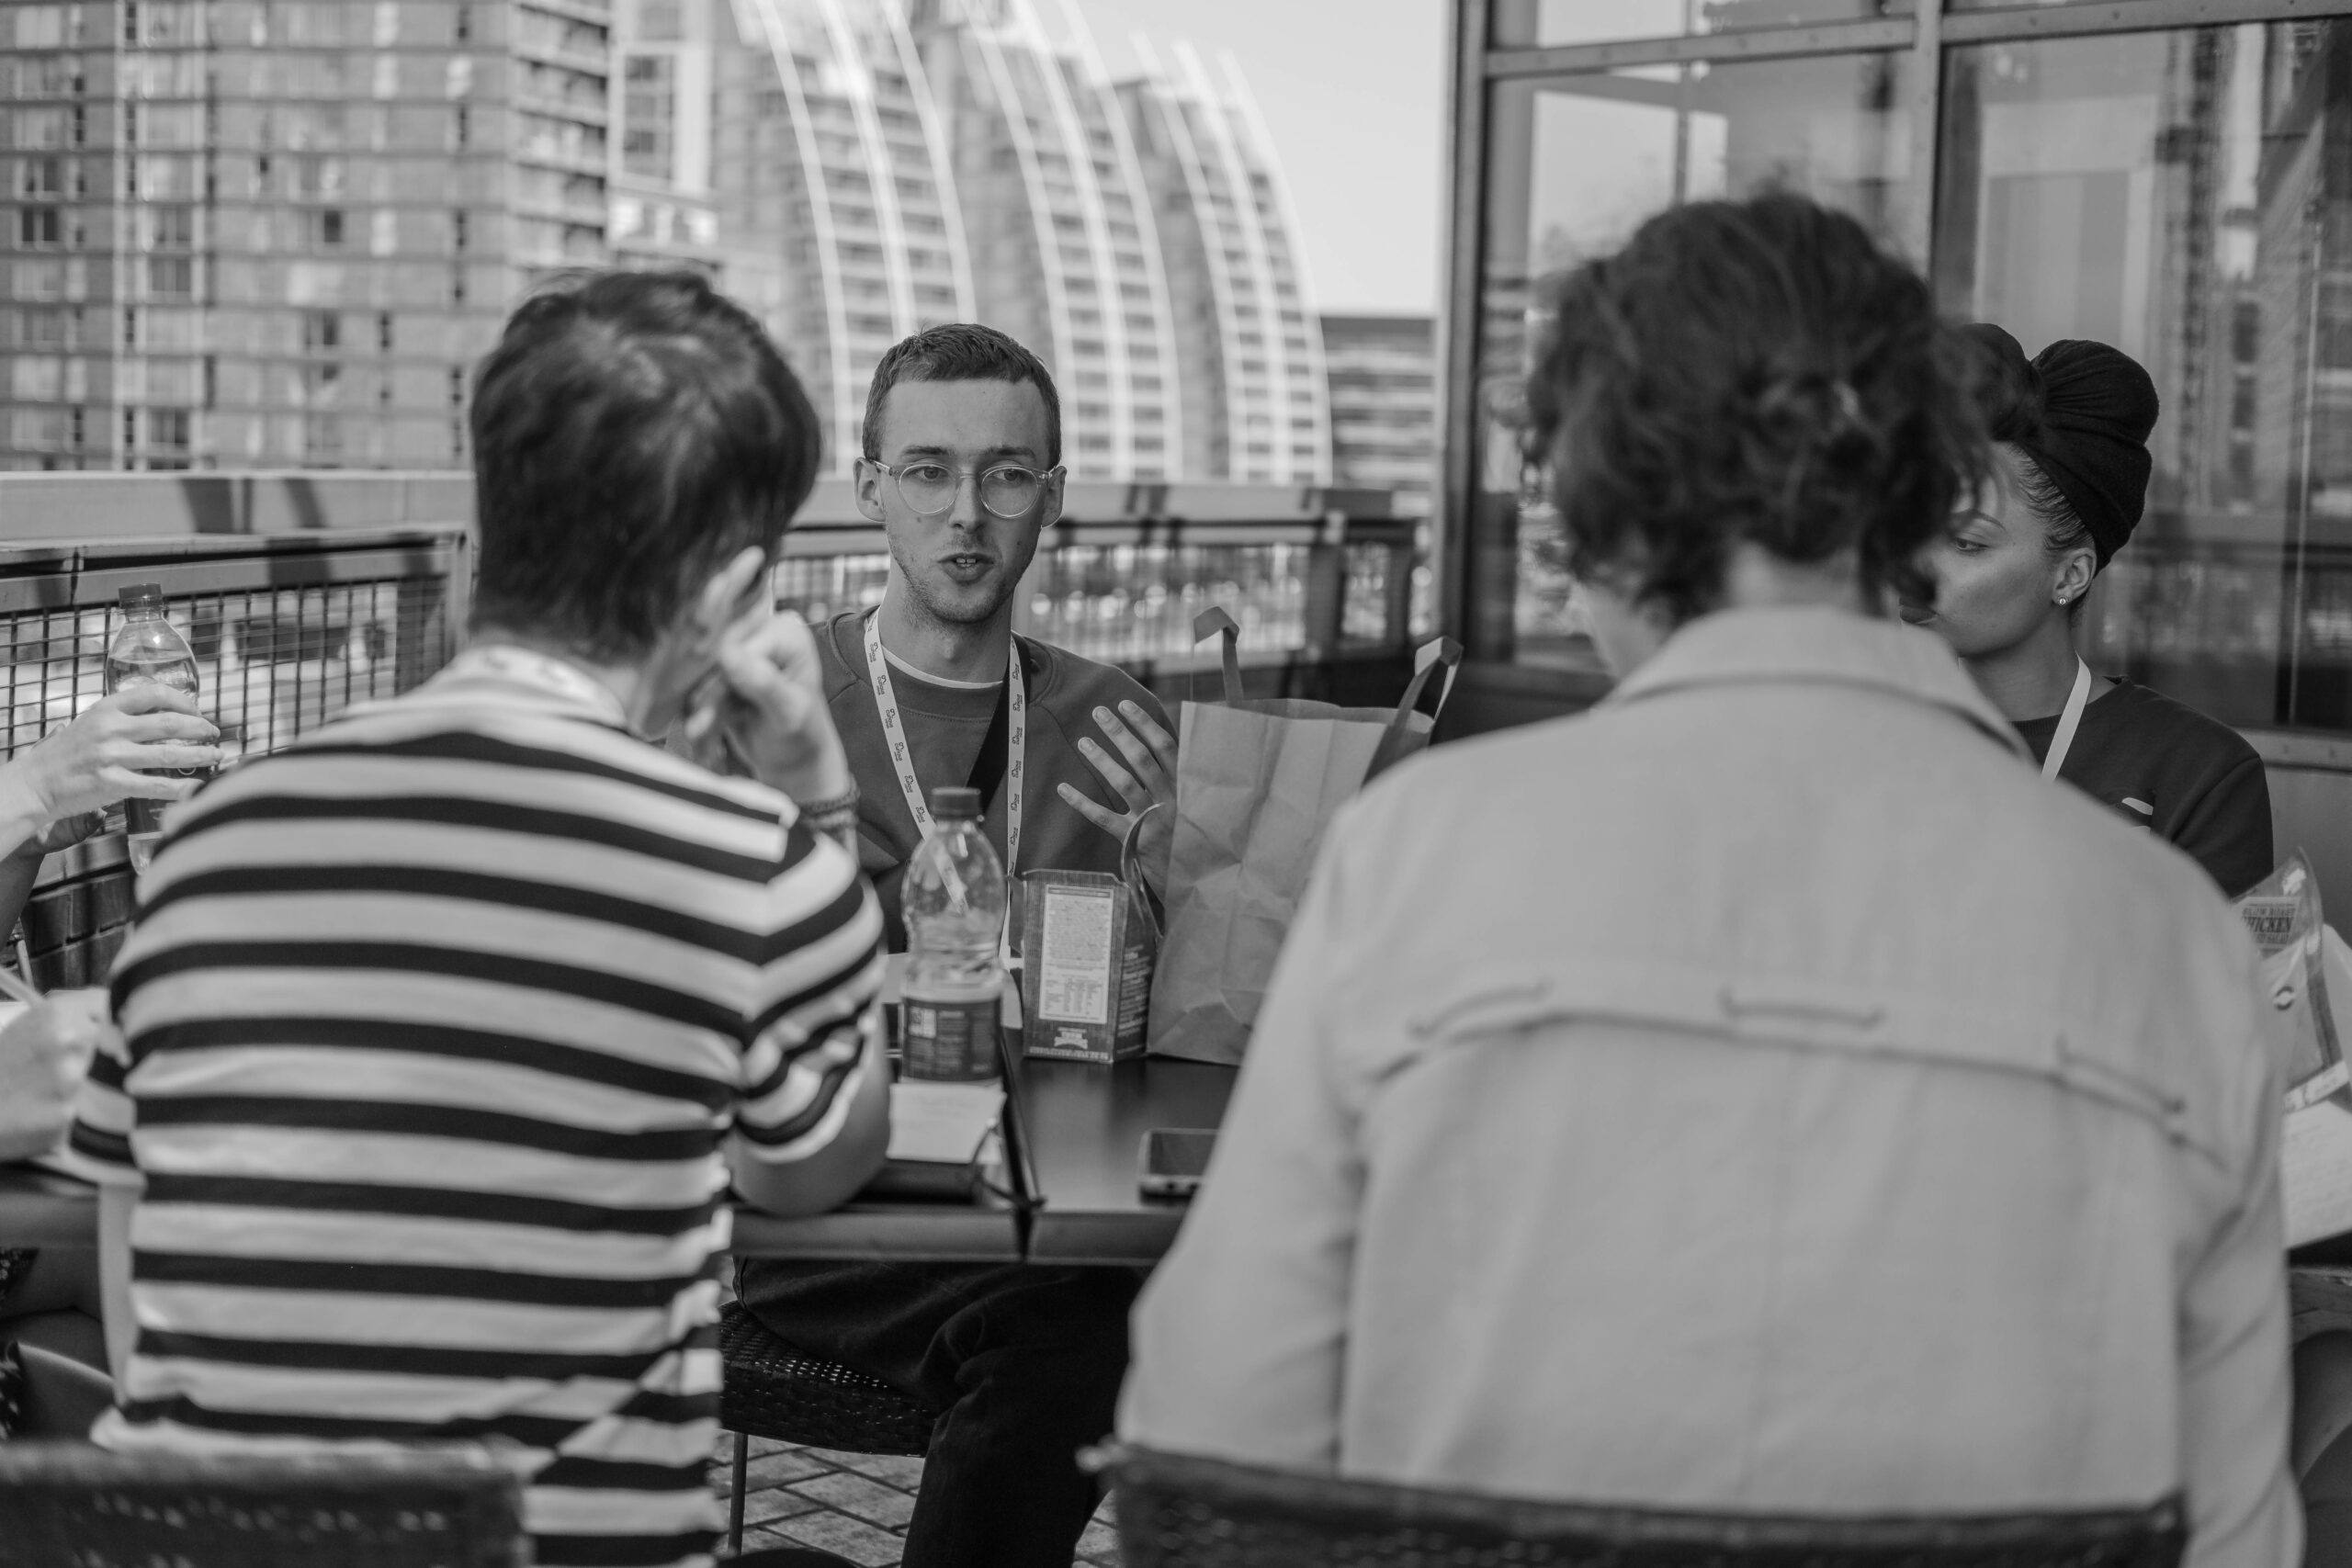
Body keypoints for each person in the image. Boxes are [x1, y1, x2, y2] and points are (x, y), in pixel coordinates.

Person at [1118, 193, 2298, 1568]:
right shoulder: (2173, 936)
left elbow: (1211, 1444)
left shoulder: (1417, 854)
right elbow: (2230, 1521)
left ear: (1605, 516)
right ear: (1912, 503)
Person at [61, 270, 890, 1568]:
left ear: (490, 522)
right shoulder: (754, 870)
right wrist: (820, 799)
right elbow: (814, 1165)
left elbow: (139, 1292)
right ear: (730, 591)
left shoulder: (215, 841)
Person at [734, 322, 1172, 1568]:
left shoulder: (1121, 727)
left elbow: (1199, 1022)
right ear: (869, 487)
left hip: (1051, 1212)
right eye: (927, 469)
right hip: (832, 1214)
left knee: (1114, 1307)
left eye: (1007, 472)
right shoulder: (776, 710)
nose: (967, 510)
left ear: (1052, 496)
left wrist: (1175, 870)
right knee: (1084, 1332)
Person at [1905, 323, 2271, 895]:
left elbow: (2220, 982)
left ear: (2071, 574)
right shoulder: (1871, 732)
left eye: (1966, 543)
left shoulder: (2201, 773)